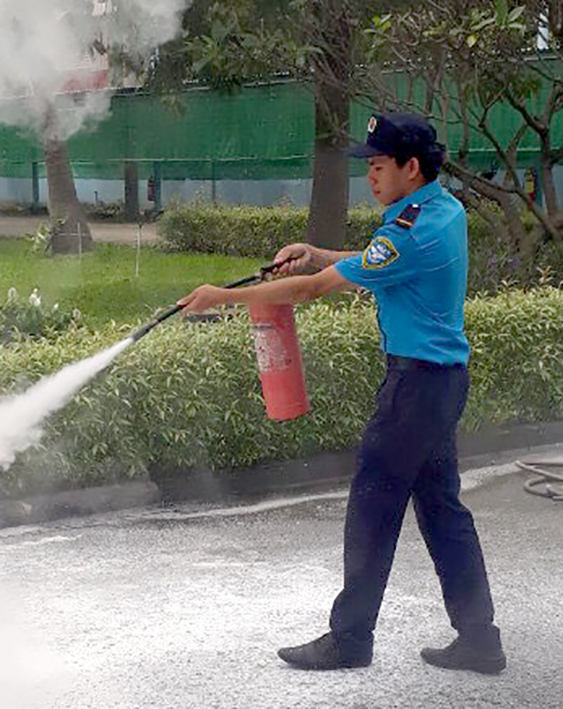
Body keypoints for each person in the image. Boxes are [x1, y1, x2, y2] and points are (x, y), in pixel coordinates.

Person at [177, 112, 505, 675]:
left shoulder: (411, 231)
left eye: (379, 166)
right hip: (441, 383)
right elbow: (364, 264)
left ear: (411, 166)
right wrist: (318, 251)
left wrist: (218, 296)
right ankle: (480, 639)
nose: (370, 177)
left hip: (415, 388)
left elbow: (310, 291)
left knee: (373, 509)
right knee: (442, 509)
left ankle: (350, 638)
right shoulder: (439, 211)